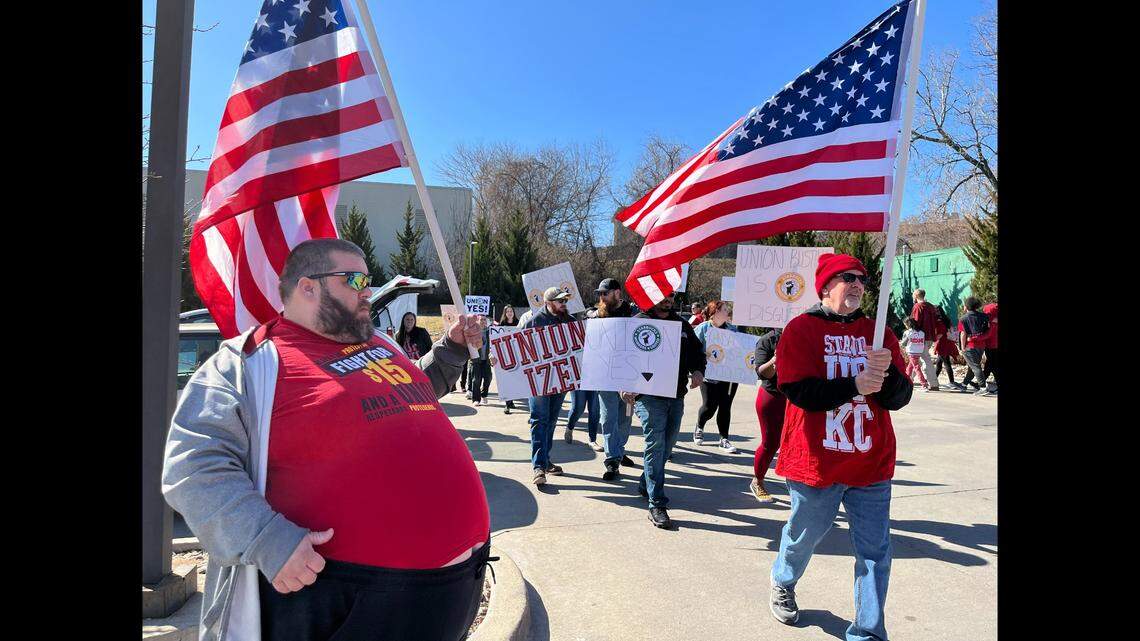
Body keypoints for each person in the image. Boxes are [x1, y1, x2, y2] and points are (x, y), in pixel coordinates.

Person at [162, 238, 491, 641]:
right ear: (307, 286)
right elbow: (192, 465)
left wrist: (453, 349)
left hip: (450, 587)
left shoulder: (380, 343)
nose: (368, 290)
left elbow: (417, 390)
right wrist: (265, 538)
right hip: (350, 596)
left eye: (370, 280)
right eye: (355, 279)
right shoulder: (247, 361)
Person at [768, 252, 912, 640]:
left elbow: (900, 399)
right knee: (804, 536)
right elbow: (798, 392)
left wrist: (889, 379)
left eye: (862, 280)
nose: (858, 285)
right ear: (826, 286)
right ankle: (784, 579)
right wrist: (854, 385)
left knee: (874, 553)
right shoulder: (800, 329)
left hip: (871, 465)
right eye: (847, 278)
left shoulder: (879, 331)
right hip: (817, 464)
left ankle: (867, 632)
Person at [630, 293, 706, 529]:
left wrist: (698, 371)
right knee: (655, 445)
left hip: (676, 394)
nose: (668, 300)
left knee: (668, 443)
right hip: (648, 396)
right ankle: (657, 503)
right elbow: (623, 358)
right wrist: (625, 385)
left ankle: (646, 481)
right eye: (663, 296)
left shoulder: (681, 325)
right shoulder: (637, 322)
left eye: (671, 296)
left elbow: (697, 353)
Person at [522, 287, 576, 485]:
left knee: (552, 420)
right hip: (538, 383)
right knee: (538, 420)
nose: (564, 304)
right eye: (560, 301)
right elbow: (514, 348)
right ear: (548, 303)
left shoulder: (571, 323)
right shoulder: (532, 323)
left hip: (560, 381)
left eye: (565, 301)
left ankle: (545, 460)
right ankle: (538, 466)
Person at [587, 278, 637, 479]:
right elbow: (586, 317)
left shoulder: (634, 313)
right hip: (605, 377)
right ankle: (612, 460)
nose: (601, 297)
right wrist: (590, 315)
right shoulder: (597, 315)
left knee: (625, 419)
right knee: (608, 419)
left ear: (617, 293)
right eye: (599, 293)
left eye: (604, 293)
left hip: (630, 377)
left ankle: (619, 449)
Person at [692, 300, 742, 453]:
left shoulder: (733, 330)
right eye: (725, 309)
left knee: (725, 406)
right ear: (714, 312)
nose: (728, 312)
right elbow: (692, 348)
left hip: (728, 377)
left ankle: (724, 439)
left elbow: (741, 351)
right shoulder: (703, 329)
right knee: (709, 406)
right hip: (709, 375)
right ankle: (699, 426)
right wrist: (702, 356)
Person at [751, 328, 783, 503]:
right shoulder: (767, 340)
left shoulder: (805, 334)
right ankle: (758, 480)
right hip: (772, 397)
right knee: (770, 443)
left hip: (796, 399)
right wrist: (775, 360)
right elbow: (762, 372)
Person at [958, 296, 993, 396]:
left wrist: (962, 347)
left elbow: (963, 334)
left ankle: (982, 387)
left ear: (966, 306)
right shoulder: (984, 316)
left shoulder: (963, 319)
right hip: (981, 345)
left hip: (970, 346)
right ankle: (964, 384)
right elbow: (988, 329)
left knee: (975, 367)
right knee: (972, 366)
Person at [909, 289, 941, 391]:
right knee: (915, 359)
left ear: (915, 296)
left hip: (920, 337)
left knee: (924, 359)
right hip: (930, 336)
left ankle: (933, 383)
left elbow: (916, 322)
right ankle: (908, 380)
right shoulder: (931, 306)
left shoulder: (918, 307)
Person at [933, 305, 964, 391]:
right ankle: (934, 381)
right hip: (947, 342)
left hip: (942, 344)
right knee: (939, 363)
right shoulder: (946, 319)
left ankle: (951, 382)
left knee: (946, 363)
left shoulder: (938, 321)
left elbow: (940, 334)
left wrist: (932, 339)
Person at [497, 306, 520, 414]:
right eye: (507, 312)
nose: (510, 313)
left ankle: (511, 401)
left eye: (511, 311)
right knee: (506, 379)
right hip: (505, 355)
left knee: (514, 379)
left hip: (516, 354)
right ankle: (507, 404)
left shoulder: (519, 323)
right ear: (505, 313)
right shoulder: (501, 325)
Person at [900, 317, 930, 390]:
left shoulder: (908, 332)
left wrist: (900, 343)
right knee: (910, 367)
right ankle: (905, 383)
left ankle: (924, 384)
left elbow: (903, 343)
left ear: (908, 324)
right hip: (919, 351)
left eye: (905, 325)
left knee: (916, 368)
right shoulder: (921, 332)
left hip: (911, 351)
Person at [469, 323, 493, 406]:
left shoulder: (489, 331)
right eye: (481, 320)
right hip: (476, 359)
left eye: (484, 320)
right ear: (478, 321)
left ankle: (484, 395)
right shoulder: (474, 331)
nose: (483, 321)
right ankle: (476, 399)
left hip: (486, 360)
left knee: (488, 378)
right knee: (476, 380)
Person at [981, 301, 999, 394]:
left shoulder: (991, 323)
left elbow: (987, 335)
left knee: (993, 364)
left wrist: (976, 338)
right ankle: (981, 381)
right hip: (994, 345)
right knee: (990, 363)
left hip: (990, 345)